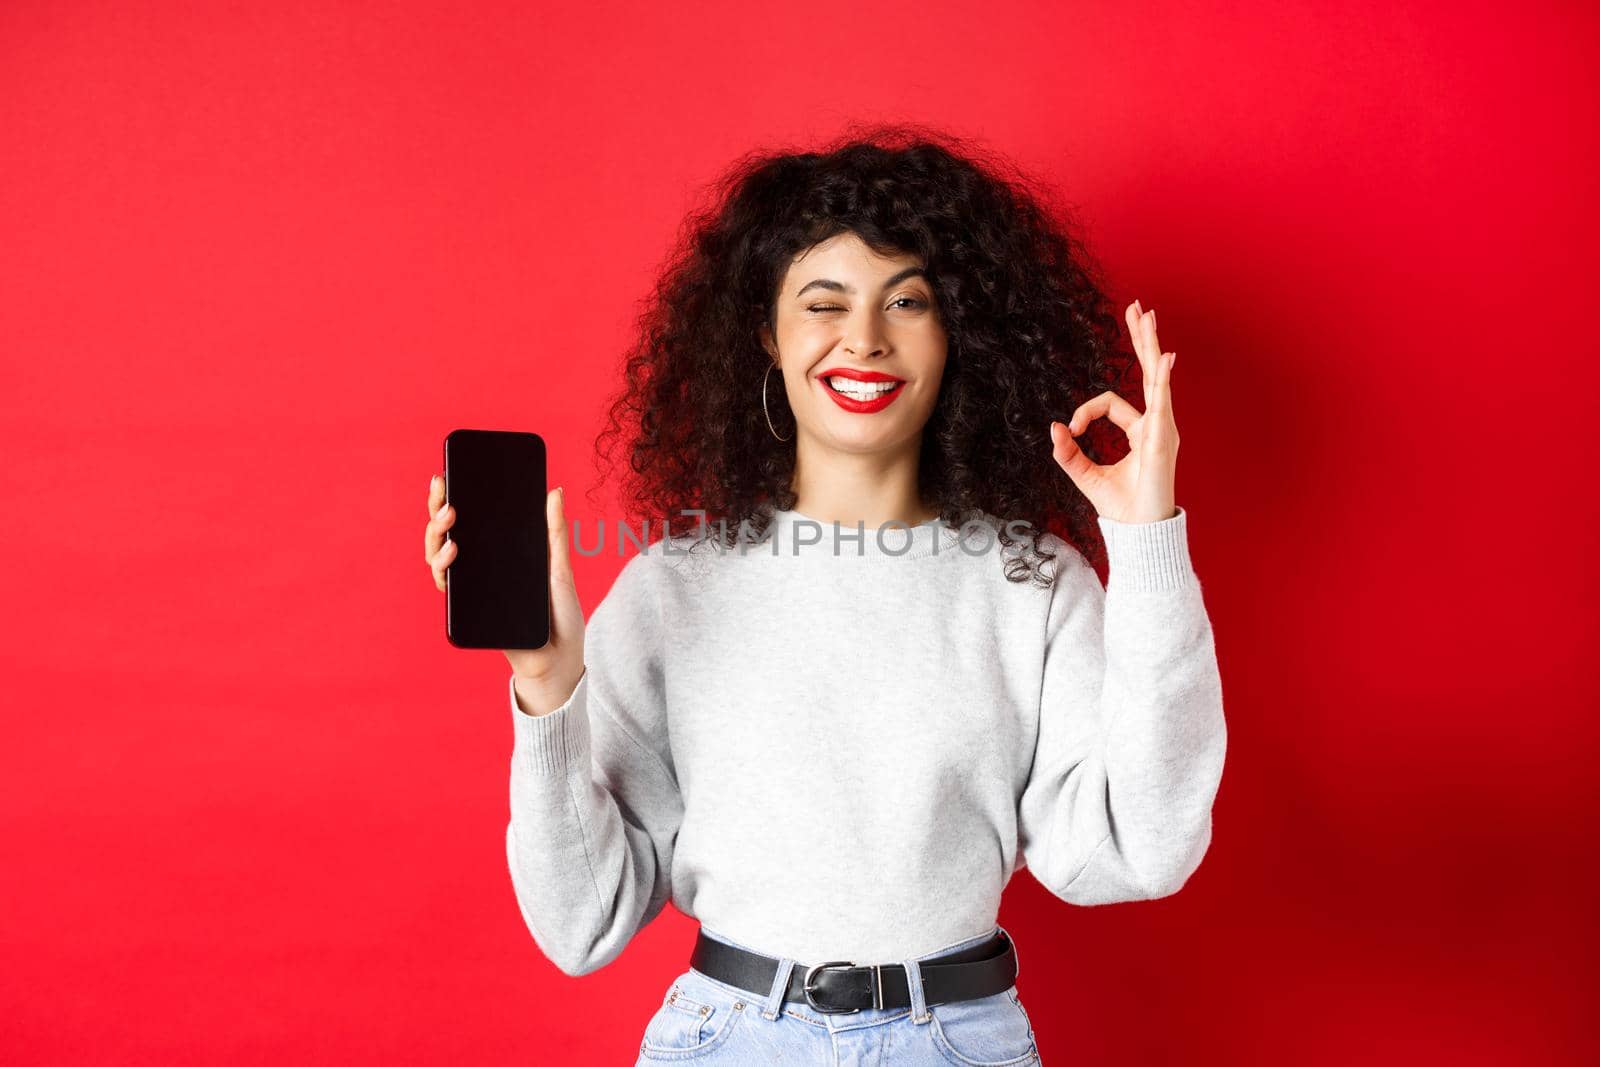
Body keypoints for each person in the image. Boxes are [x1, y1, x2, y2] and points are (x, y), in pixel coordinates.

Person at [421, 124, 1226, 1065]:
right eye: (823, 302)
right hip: (726, 1039)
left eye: (908, 301)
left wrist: (1147, 545)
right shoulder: (673, 587)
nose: (865, 339)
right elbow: (580, 923)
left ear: (955, 330)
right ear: (766, 332)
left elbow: (1140, 846)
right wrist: (550, 687)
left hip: (956, 1040)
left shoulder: (1032, 582)